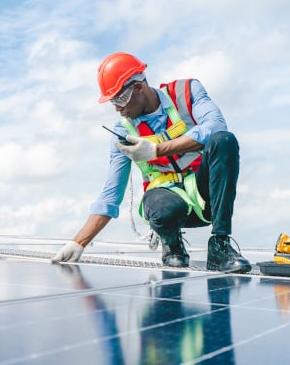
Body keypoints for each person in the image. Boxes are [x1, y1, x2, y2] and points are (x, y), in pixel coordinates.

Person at [51, 52, 251, 273]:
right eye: (112, 102)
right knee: (164, 209)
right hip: (167, 207)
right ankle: (172, 245)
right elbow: (111, 194)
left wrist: (157, 149)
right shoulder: (122, 132)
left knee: (224, 141)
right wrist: (78, 242)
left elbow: (216, 126)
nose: (117, 108)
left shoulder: (187, 92)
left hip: (206, 200)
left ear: (138, 87)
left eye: (119, 98)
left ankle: (220, 245)